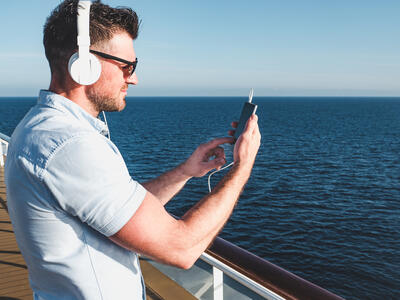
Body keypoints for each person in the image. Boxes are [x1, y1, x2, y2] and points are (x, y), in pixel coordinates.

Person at [5, 0, 261, 299]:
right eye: (127, 67)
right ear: (83, 65)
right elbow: (181, 249)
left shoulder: (41, 127)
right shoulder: (69, 145)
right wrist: (243, 167)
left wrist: (185, 172)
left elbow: (117, 208)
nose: (134, 78)